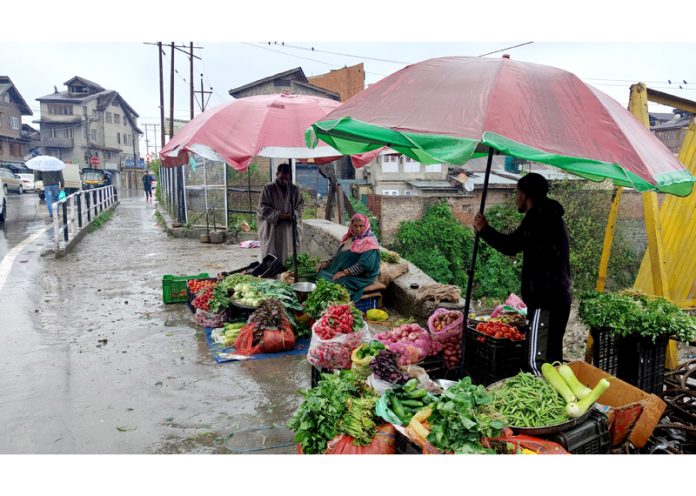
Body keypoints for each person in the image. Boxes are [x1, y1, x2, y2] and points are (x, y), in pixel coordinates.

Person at [472, 172, 571, 373]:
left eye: (517, 193)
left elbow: (510, 245)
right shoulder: (551, 216)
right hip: (559, 297)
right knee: (553, 356)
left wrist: (484, 229)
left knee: (537, 362)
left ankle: (541, 399)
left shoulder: (539, 217)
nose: (515, 197)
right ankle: (556, 398)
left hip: (546, 301)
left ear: (526, 195)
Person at [317, 213, 381, 302]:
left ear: (366, 226)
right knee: (321, 273)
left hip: (361, 276)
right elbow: (340, 254)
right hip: (344, 270)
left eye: (361, 226)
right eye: (355, 226)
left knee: (338, 282)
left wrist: (345, 272)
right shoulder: (350, 238)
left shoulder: (370, 243)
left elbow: (365, 265)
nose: (358, 229)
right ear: (351, 226)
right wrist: (328, 263)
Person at [257, 163, 304, 266]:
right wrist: (279, 215)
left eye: (287, 178)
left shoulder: (295, 190)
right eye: (282, 177)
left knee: (289, 257)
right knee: (271, 257)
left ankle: (287, 275)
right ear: (277, 174)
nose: (284, 181)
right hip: (272, 228)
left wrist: (293, 215)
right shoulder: (268, 188)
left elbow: (300, 207)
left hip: (290, 228)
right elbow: (263, 207)